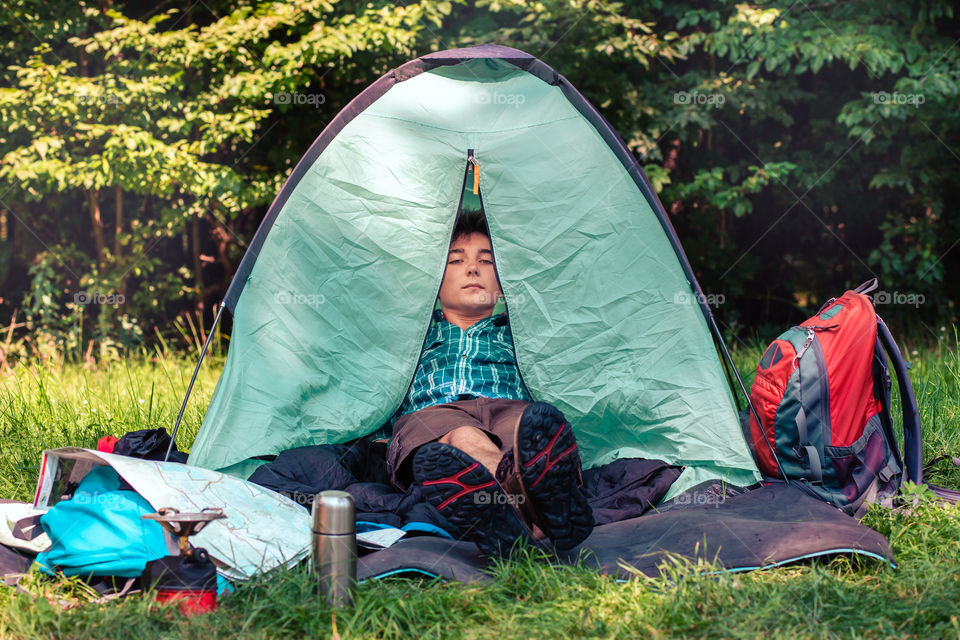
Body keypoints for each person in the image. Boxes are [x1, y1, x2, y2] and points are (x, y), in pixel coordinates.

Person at [386, 211, 593, 557]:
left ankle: (517, 521)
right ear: (434, 281)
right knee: (463, 439)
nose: (472, 269)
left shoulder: (522, 332)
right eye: (456, 260)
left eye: (486, 260)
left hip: (511, 407)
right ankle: (531, 513)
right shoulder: (413, 334)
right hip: (436, 413)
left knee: (532, 439)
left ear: (501, 284)